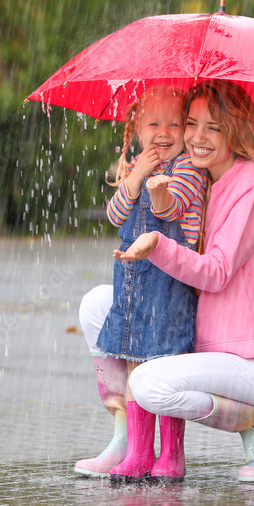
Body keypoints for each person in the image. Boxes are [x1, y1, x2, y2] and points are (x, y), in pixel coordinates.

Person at [79, 80, 254, 483]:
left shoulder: (253, 184)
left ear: (236, 131)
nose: (197, 137)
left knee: (148, 381)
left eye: (213, 128)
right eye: (192, 124)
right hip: (213, 348)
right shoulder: (205, 179)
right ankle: (127, 439)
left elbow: (214, 272)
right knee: (97, 304)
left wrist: (157, 245)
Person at [74, 85, 207, 484]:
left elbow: (175, 210)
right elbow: (117, 217)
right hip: (134, 288)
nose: (164, 131)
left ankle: (172, 452)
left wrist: (159, 191)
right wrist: (134, 181)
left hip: (170, 290)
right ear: (136, 128)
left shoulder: (188, 170)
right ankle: (137, 450)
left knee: (163, 370)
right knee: (135, 367)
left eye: (174, 123)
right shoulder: (134, 168)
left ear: (185, 130)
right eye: (154, 123)